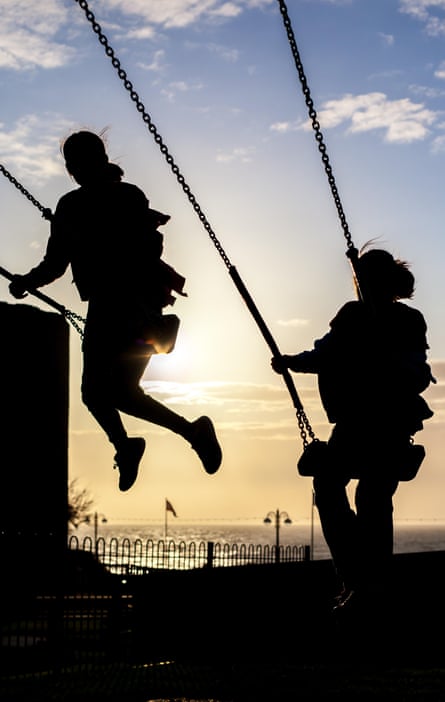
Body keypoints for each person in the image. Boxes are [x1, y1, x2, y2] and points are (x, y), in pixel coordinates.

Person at [9, 129, 222, 492]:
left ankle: (130, 445)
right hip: (138, 307)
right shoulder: (118, 197)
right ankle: (184, 433)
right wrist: (32, 278)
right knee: (122, 393)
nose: (72, 171)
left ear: (87, 162)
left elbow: (60, 263)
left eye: (74, 163)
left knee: (97, 393)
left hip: (119, 307)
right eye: (69, 165)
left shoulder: (84, 204)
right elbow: (68, 261)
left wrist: (26, 282)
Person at [271, 247, 434, 613]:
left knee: (367, 496)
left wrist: (385, 357)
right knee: (337, 488)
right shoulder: (353, 315)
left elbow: (417, 372)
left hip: (385, 423)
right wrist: (292, 363)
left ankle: (364, 584)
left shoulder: (407, 320)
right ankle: (359, 580)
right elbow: (326, 354)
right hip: (357, 423)